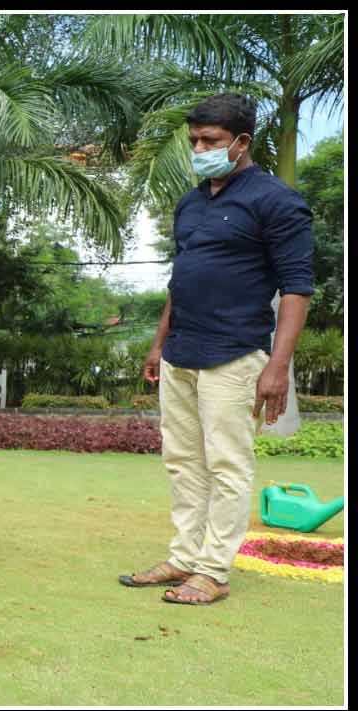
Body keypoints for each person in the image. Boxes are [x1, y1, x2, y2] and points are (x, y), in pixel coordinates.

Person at [119, 93, 314, 606]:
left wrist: (278, 365)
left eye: (211, 141)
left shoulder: (276, 201)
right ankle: (184, 557)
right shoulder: (191, 203)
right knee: (183, 461)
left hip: (236, 353)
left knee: (227, 464)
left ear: (242, 143)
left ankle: (212, 570)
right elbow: (179, 279)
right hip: (182, 352)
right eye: (194, 141)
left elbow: (297, 289)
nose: (199, 149)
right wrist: (159, 343)